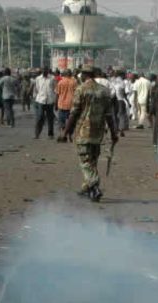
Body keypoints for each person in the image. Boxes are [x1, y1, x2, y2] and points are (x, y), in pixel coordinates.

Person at [60, 66, 119, 203]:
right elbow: (109, 115)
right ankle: (87, 188)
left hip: (83, 131)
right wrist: (113, 133)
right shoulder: (104, 91)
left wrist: (65, 132)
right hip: (98, 132)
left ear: (85, 75)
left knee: (85, 161)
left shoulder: (81, 89)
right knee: (92, 160)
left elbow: (74, 113)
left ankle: (94, 185)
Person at [34, 67, 57, 139]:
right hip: (41, 100)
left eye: (46, 71)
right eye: (43, 71)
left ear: (48, 71)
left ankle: (50, 134)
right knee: (40, 117)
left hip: (50, 100)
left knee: (50, 118)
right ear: (42, 71)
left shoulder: (52, 78)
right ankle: (37, 134)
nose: (44, 72)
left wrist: (55, 100)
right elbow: (37, 88)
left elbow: (55, 88)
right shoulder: (38, 79)